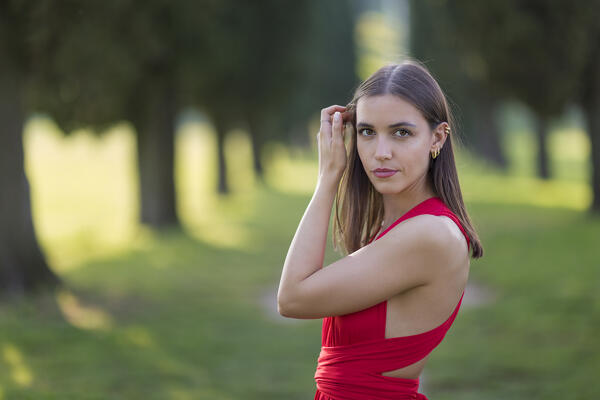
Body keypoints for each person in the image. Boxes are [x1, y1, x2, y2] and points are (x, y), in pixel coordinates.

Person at [277, 60, 484, 400]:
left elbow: (292, 297)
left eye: (402, 132)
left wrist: (328, 179)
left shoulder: (430, 235)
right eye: (367, 132)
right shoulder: (398, 228)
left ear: (437, 138)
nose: (380, 153)